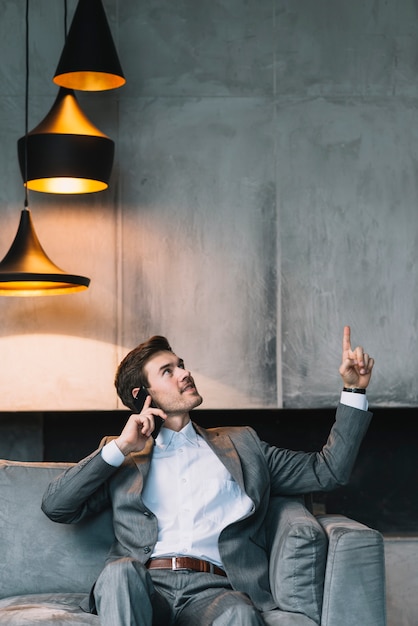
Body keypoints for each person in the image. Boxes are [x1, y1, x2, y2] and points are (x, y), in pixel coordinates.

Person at [42, 325, 374, 626]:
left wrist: (353, 392)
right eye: (168, 371)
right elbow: (57, 505)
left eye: (181, 365)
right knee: (118, 574)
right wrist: (121, 447)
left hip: (214, 592)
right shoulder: (123, 456)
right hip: (145, 586)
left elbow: (327, 471)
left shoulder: (242, 444)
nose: (184, 374)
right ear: (141, 395)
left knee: (240, 614)